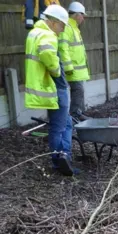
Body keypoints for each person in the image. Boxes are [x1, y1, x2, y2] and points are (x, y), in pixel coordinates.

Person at [24, 4, 78, 176]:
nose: (62, 30)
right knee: (60, 126)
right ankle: (62, 159)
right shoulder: (48, 34)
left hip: (46, 87)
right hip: (54, 86)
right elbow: (47, 55)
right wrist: (56, 69)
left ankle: (60, 157)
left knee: (64, 122)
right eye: (62, 25)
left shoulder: (34, 32)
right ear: (53, 22)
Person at [58, 1, 90, 121]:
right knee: (77, 90)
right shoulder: (68, 28)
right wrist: (68, 67)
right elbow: (63, 48)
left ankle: (78, 114)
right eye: (83, 15)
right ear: (77, 15)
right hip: (72, 69)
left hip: (76, 69)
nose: (83, 18)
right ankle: (74, 116)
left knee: (79, 91)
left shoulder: (74, 28)